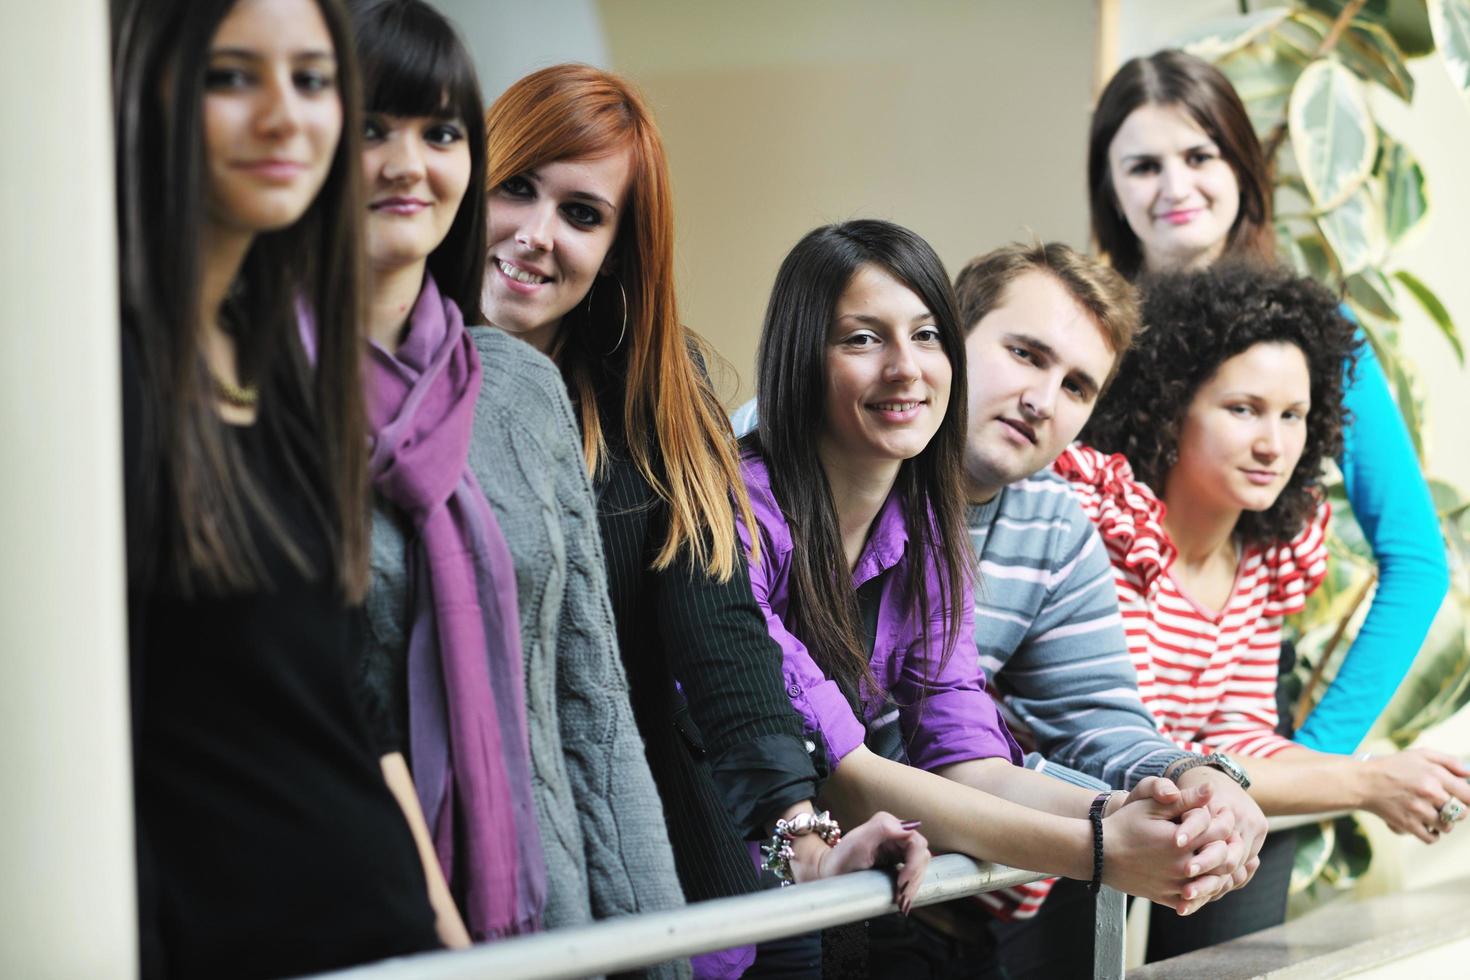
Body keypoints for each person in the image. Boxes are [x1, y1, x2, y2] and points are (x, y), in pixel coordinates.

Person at [481, 66, 927, 979]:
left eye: (582, 213)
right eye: (517, 187)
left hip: (655, 848)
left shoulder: (650, 388)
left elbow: (717, 629)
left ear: (619, 247)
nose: (536, 235)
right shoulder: (378, 376)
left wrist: (803, 839)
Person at [738, 219, 1251, 979]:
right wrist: (1102, 847)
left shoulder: (947, 530)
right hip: (726, 889)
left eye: (1076, 385)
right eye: (1024, 354)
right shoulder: (741, 496)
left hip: (879, 889)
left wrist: (1178, 797)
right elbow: (837, 761)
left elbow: (972, 750)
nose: (1043, 400)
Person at [344, 1, 686, 962]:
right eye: (374, 129)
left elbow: (595, 712)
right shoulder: (261, 390)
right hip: (359, 913)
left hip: (549, 909)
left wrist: (661, 952)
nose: (409, 161)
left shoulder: (524, 388)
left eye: (441, 132)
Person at [114, 0, 441, 974]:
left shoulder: (284, 371)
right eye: (230, 76)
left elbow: (349, 703)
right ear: (149, 92)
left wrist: (441, 930)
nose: (284, 117)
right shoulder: (98, 379)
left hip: (389, 937)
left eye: (311, 78)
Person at [1059, 262, 1470, 960]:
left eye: (1293, 416)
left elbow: (1239, 741)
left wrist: (1399, 775)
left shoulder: (1261, 560)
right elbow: (1130, 753)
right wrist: (1364, 780)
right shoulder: (1105, 531)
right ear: (1169, 406)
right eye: (1242, 409)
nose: (1273, 445)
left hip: (1127, 848)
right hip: (1026, 872)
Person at [1088, 48, 1449, 757]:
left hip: (1239, 728)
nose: (1175, 186)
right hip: (1084, 736)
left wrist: (1314, 761)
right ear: (1111, 188)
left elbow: (1417, 559)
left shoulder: (1320, 337)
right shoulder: (1078, 329)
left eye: (1200, 155)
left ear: (1241, 169)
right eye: (1143, 166)